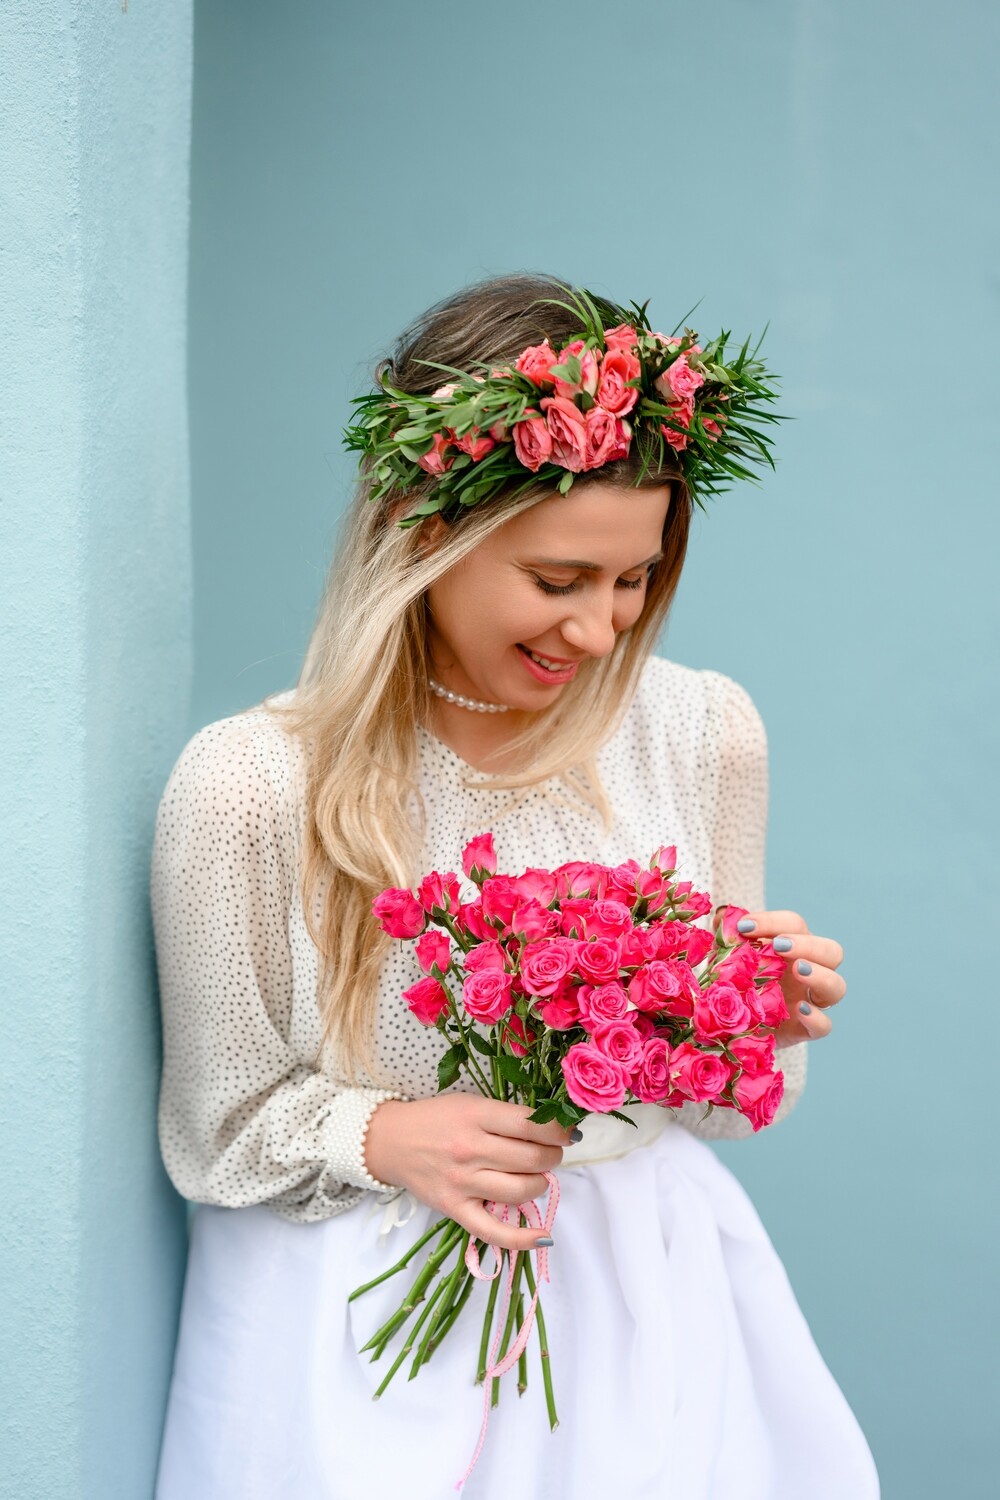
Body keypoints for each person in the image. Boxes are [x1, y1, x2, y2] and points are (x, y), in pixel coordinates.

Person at [151, 273, 880, 1499]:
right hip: (356, 1330)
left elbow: (728, 1110)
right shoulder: (250, 785)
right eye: (557, 581)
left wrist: (755, 1015)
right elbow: (215, 1129)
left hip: (642, 1313)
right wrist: (387, 1135)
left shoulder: (703, 733)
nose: (599, 630)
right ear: (425, 533)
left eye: (633, 580)